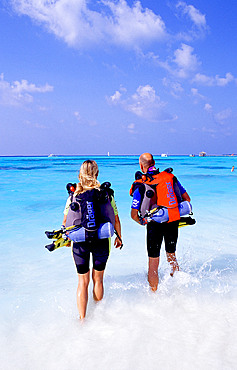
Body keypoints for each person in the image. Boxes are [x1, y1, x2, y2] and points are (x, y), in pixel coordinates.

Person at [62, 160, 122, 320]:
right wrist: (119, 237)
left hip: (80, 242)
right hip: (101, 239)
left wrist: (67, 239)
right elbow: (115, 217)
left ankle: (82, 319)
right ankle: (99, 316)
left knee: (83, 281)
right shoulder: (106, 193)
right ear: (97, 173)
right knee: (98, 279)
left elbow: (66, 220)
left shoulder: (74, 195)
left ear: (80, 174)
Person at [130, 153, 190, 292]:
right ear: (154, 162)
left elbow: (133, 214)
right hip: (172, 220)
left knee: (153, 263)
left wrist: (142, 221)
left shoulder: (141, 184)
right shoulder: (170, 177)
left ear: (141, 166)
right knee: (171, 256)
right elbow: (187, 199)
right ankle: (178, 290)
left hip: (154, 226)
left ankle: (154, 296)